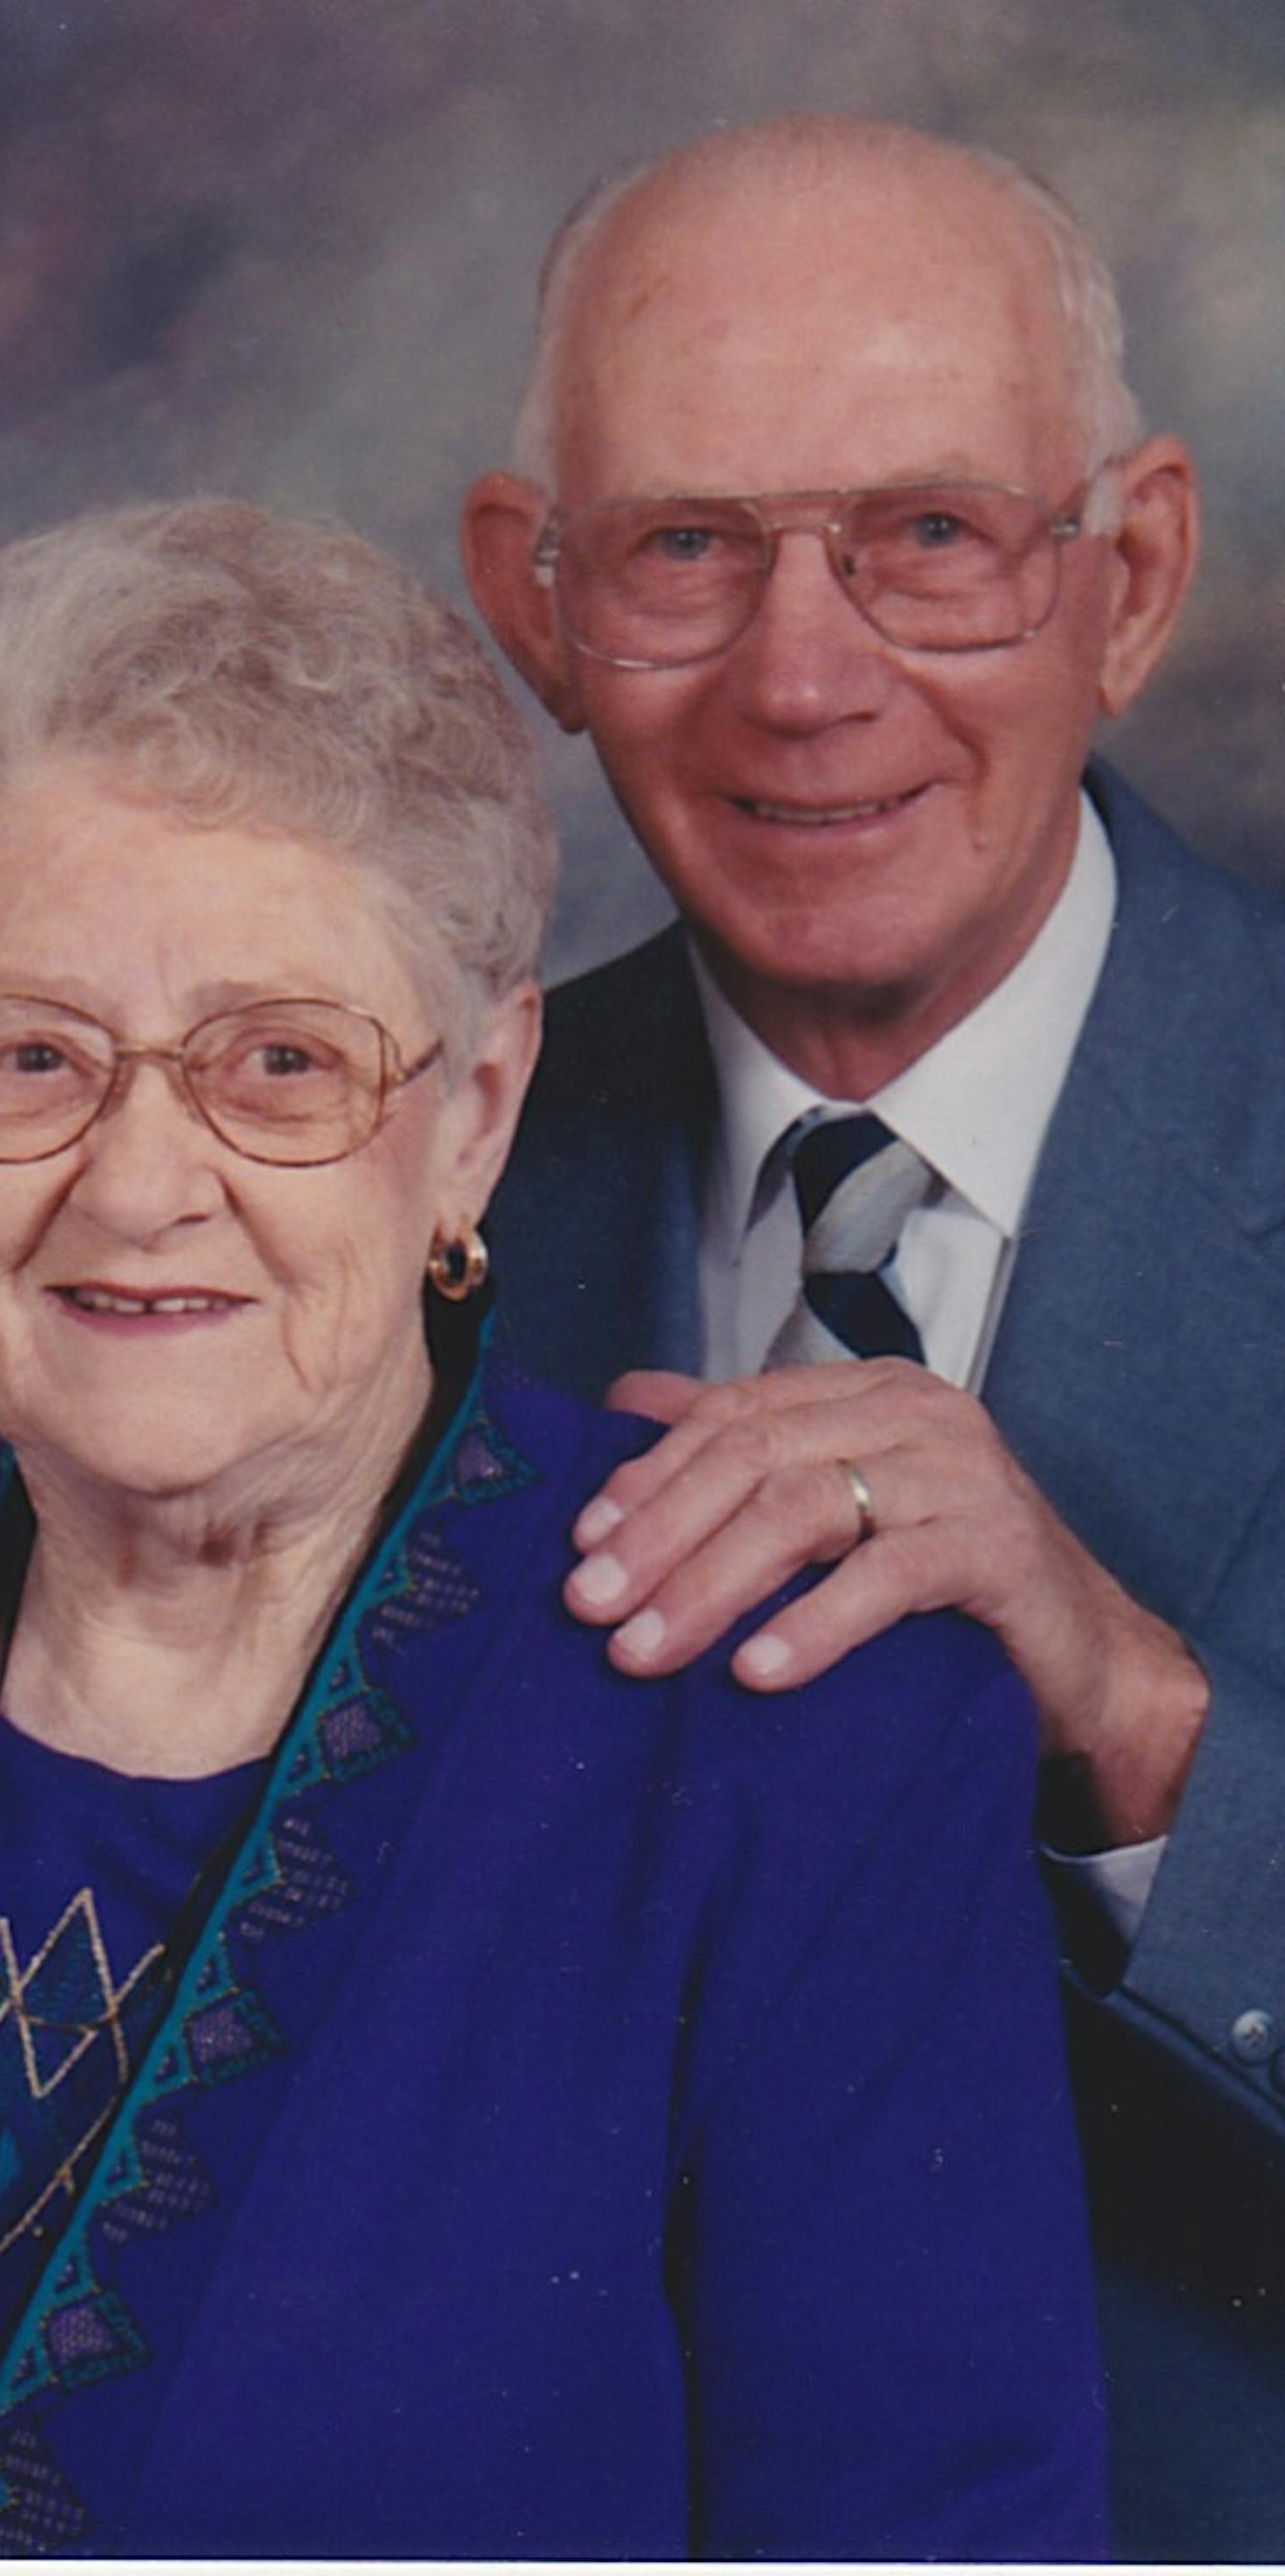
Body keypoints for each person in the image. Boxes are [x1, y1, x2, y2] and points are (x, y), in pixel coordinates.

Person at [0, 499, 1106, 2559]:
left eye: (279, 1065)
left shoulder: (799, 1744)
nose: (143, 1184)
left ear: (471, 1113)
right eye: (28, 1056)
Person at [463, 115, 1285, 2559]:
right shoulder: (388, 1187)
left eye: (929, 535)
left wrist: (1134, 1722)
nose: (803, 679)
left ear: (1127, 579)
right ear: (538, 604)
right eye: (688, 549)